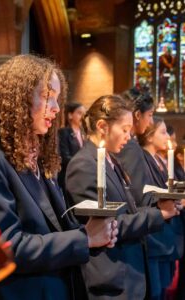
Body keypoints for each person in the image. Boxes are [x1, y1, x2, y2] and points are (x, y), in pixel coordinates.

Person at [0, 54, 118, 300]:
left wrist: (95, 232)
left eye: (58, 100)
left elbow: (53, 230)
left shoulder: (36, 158)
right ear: (19, 99)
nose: (57, 108)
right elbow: (7, 247)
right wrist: (85, 238)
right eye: (49, 97)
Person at [65, 95, 181, 300]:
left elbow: (130, 210)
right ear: (102, 126)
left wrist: (160, 205)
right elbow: (107, 225)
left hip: (130, 274)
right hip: (111, 278)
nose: (129, 136)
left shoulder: (111, 160)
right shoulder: (83, 165)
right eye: (125, 130)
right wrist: (158, 214)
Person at [138, 117, 184, 299]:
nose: (168, 138)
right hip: (155, 238)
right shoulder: (143, 158)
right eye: (163, 132)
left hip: (168, 236)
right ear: (149, 136)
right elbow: (145, 194)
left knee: (165, 287)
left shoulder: (159, 160)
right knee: (156, 292)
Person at [115, 88, 155, 207]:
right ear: (138, 115)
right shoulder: (129, 146)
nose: (151, 122)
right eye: (150, 115)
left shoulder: (129, 143)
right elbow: (140, 194)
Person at [58, 102, 86, 191]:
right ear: (70, 115)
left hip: (81, 176)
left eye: (84, 114)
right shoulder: (64, 132)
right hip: (69, 175)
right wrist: (82, 164)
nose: (82, 116)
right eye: (79, 113)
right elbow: (64, 156)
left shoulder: (84, 133)